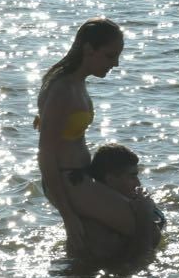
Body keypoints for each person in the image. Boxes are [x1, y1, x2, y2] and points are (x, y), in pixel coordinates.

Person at [35, 18, 130, 251]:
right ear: (89, 49)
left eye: (118, 56)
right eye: (110, 56)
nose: (116, 64)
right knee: (142, 226)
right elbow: (45, 154)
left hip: (82, 176)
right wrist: (67, 215)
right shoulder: (62, 89)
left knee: (106, 239)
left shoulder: (77, 83)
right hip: (68, 180)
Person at [79, 143, 165, 264]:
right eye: (132, 177)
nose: (138, 183)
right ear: (110, 179)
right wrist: (144, 213)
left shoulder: (116, 207)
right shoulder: (100, 218)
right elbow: (139, 262)